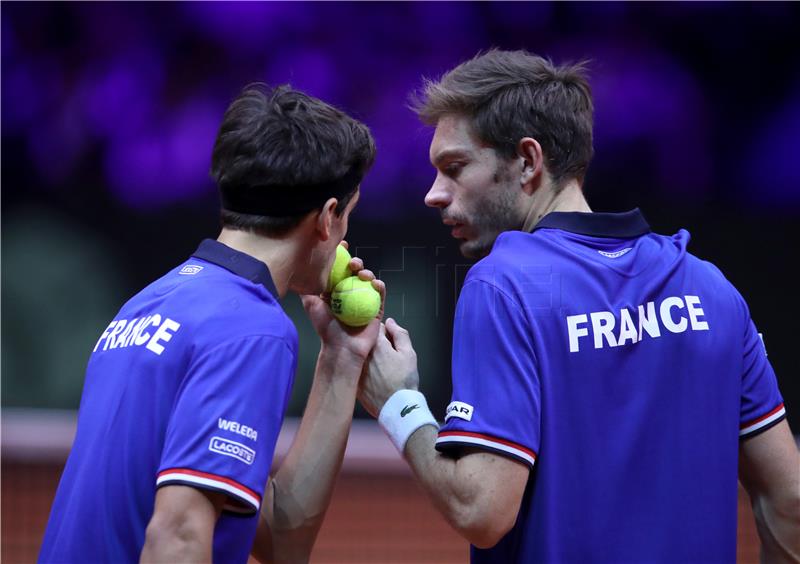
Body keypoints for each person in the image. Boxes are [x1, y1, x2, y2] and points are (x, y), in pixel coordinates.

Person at [358, 50, 799, 563]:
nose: (434, 194)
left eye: (454, 168)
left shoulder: (505, 284)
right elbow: (787, 499)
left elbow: (483, 511)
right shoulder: (710, 287)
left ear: (527, 161)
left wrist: (399, 403)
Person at [39, 84, 384, 564]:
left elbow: (280, 539)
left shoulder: (149, 303)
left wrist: (341, 358)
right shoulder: (252, 329)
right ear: (328, 218)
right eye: (349, 213)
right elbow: (178, 535)